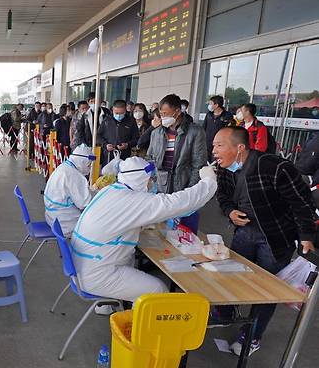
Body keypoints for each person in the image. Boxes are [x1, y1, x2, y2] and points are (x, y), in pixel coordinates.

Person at [213, 126, 317, 355]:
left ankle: (252, 335)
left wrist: (306, 236)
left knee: (266, 291)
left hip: (275, 238)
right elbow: (222, 196)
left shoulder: (276, 167)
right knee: (232, 276)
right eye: (214, 146)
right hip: (244, 234)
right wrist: (230, 211)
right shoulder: (224, 169)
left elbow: (302, 202)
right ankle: (226, 313)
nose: (214, 151)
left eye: (219, 145)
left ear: (240, 148)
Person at [72, 157, 218, 301]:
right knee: (157, 290)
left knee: (132, 263)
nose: (152, 183)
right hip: (97, 274)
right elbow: (180, 202)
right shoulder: (132, 200)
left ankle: (108, 306)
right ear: (140, 179)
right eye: (150, 179)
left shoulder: (111, 190)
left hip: (83, 265)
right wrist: (208, 181)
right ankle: (138, 323)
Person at [147, 94, 207, 195]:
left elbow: (199, 164)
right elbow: (150, 159)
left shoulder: (195, 132)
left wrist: (190, 190)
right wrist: (150, 180)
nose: (163, 118)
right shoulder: (156, 133)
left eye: (165, 114)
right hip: (160, 187)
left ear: (177, 112)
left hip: (183, 186)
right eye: (161, 114)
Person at [43, 145, 94, 237]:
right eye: (89, 165)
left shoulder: (63, 167)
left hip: (52, 218)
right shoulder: (74, 175)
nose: (90, 168)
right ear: (83, 162)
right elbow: (85, 204)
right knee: (97, 227)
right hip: (65, 224)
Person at [97, 99, 140, 165]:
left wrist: (127, 145)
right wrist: (105, 145)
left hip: (124, 157)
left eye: (121, 113)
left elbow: (136, 139)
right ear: (113, 110)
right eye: (116, 113)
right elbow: (98, 136)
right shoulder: (107, 120)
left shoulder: (131, 121)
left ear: (125, 110)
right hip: (108, 156)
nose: (119, 115)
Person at [296, 132, 319, 208]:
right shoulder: (314, 136)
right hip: (309, 176)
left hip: (301, 173)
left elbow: (302, 154)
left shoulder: (313, 136)